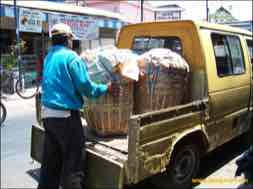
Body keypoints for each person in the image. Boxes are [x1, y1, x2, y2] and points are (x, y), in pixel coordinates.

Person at [38, 23, 120, 189]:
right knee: (73, 165)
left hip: (47, 116)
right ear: (68, 40)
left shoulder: (49, 57)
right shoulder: (71, 58)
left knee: (50, 165)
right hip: (66, 118)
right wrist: (107, 88)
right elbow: (86, 87)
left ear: (53, 41)